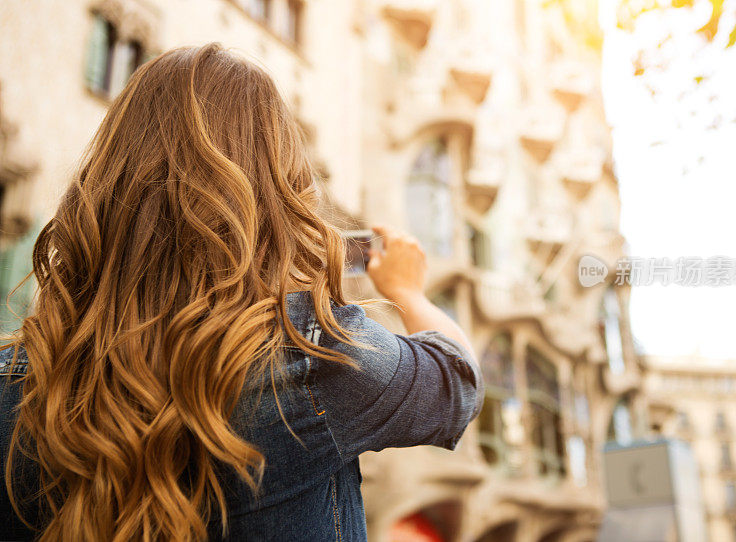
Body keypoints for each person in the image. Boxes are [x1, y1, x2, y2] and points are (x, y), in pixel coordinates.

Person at [0, 43, 484, 541]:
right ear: (278, 190)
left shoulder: (12, 383)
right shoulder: (314, 356)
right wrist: (408, 291)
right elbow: (458, 382)